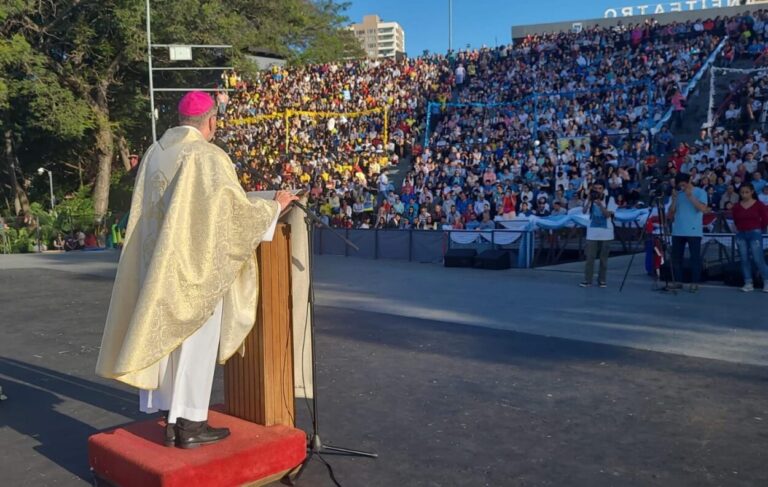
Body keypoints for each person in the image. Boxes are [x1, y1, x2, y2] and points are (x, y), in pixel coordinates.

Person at [96, 92, 298, 449]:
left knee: (171, 343)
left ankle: (173, 420)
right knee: (194, 345)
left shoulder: (155, 154)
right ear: (212, 121)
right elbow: (230, 215)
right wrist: (272, 208)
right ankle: (190, 424)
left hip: (158, 266)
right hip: (195, 267)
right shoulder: (207, 155)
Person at [667, 173, 709, 292]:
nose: (682, 187)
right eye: (680, 185)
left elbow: (702, 209)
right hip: (678, 230)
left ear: (689, 181)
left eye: (684, 184)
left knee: (694, 258)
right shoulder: (678, 194)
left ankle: (695, 283)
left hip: (694, 231)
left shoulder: (700, 192)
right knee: (676, 258)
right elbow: (670, 215)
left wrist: (690, 196)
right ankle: (678, 281)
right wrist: (674, 199)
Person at [731, 183, 768, 292]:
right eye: (742, 192)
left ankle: (766, 280)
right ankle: (748, 282)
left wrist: (759, 229)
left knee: (758, 258)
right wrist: (738, 228)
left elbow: (765, 219)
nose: (744, 194)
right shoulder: (737, 206)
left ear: (752, 192)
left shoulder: (759, 205)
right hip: (741, 234)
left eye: (746, 192)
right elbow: (735, 219)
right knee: (744, 259)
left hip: (754, 233)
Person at [580, 181, 617, 288]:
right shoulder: (590, 198)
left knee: (603, 259)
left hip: (606, 233)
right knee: (590, 258)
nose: (597, 190)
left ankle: (602, 280)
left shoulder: (610, 199)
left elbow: (607, 215)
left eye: (600, 188)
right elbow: (583, 211)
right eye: (595, 188)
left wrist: (600, 204)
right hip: (592, 233)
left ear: (603, 189)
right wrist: (589, 201)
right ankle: (588, 280)